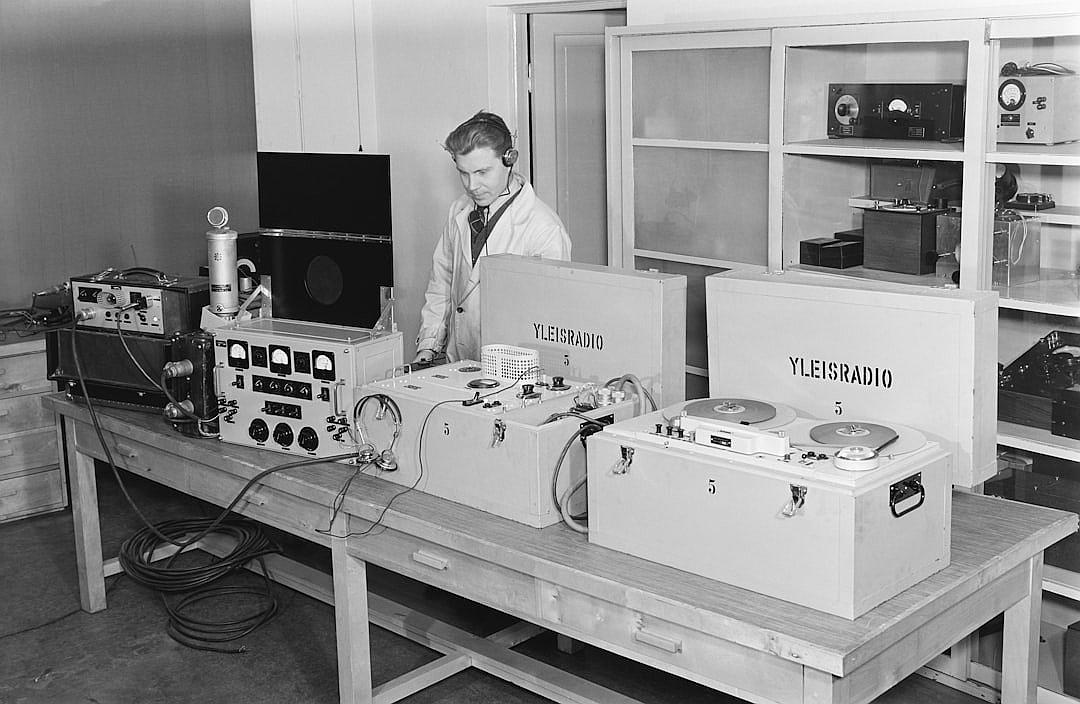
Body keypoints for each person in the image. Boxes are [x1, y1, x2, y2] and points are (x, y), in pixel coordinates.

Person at [413, 111, 571, 364]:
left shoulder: (544, 229)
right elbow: (441, 283)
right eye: (463, 173)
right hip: (461, 365)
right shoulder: (459, 211)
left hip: (515, 373)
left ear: (509, 159)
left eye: (482, 172)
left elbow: (551, 320)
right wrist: (428, 347)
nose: (471, 185)